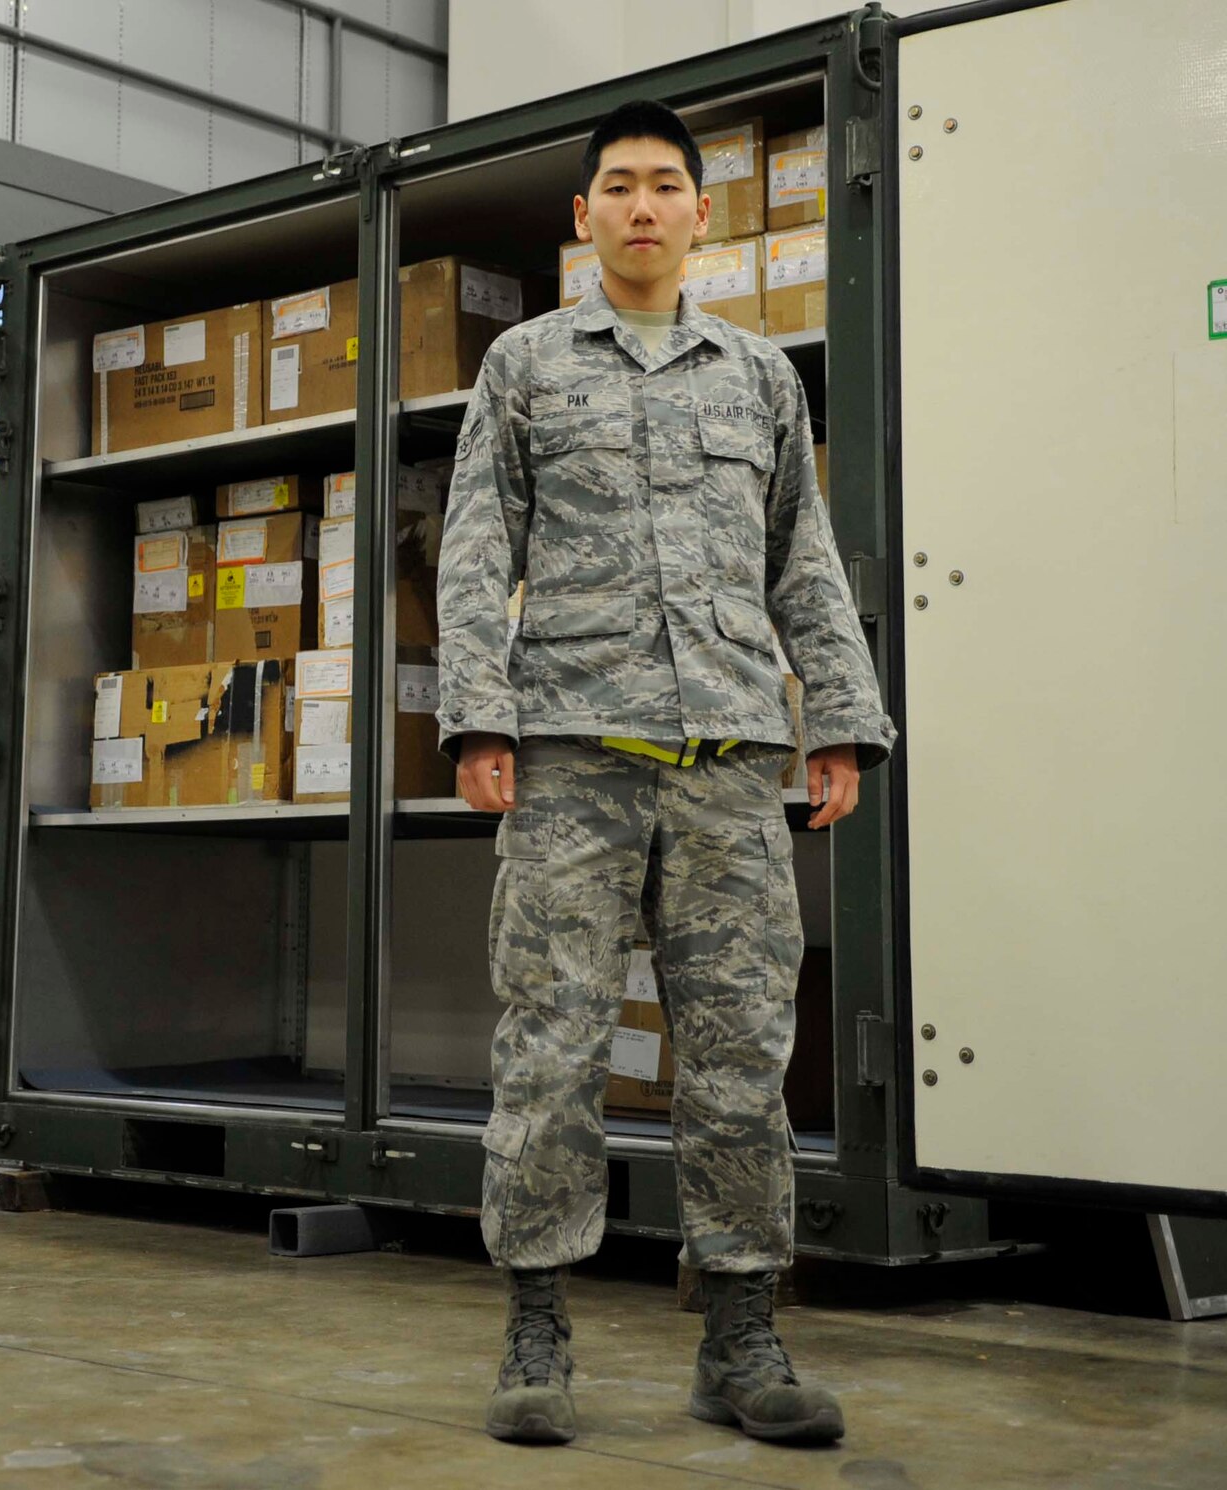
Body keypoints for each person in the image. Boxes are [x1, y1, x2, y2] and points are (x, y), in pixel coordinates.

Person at [435, 99, 896, 1448]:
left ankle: (742, 1333)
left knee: (744, 1058)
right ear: (582, 219)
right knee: (551, 1051)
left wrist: (839, 723)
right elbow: (474, 550)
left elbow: (801, 558)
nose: (642, 207)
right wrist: (479, 718)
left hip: (728, 771)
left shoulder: (758, 379)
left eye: (665, 187)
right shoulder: (523, 366)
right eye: (618, 188)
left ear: (705, 215)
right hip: (571, 760)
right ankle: (536, 1324)